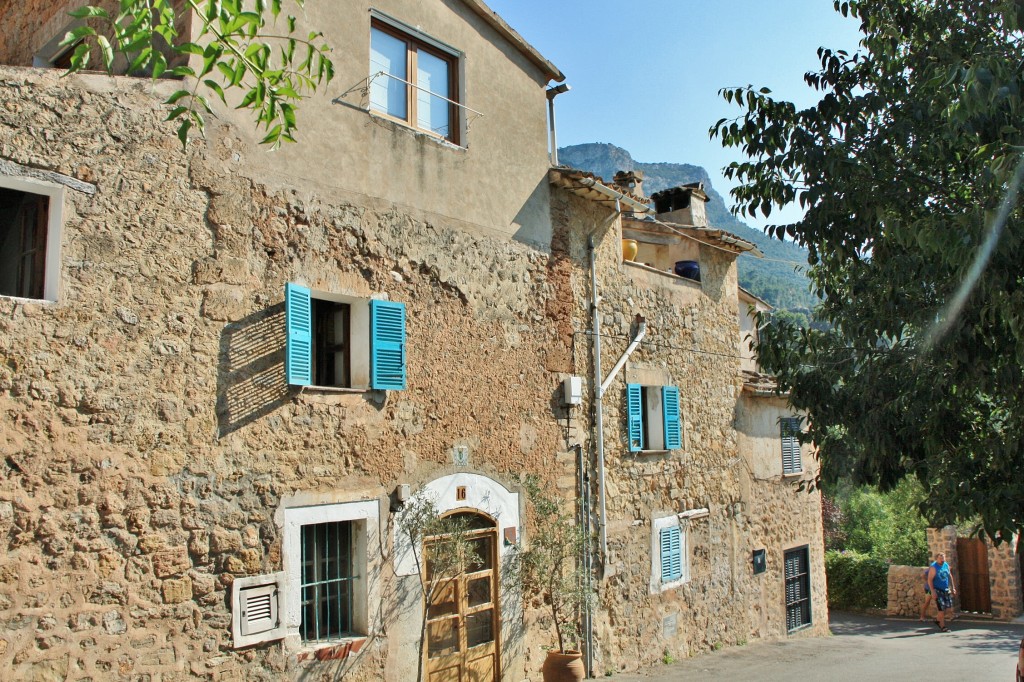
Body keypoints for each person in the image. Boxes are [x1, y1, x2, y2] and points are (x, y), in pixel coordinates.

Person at [926, 552, 957, 631]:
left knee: (949, 608)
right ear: (937, 558)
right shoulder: (933, 567)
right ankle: (943, 626)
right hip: (937, 590)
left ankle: (938, 620)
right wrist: (932, 591)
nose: (942, 560)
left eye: (943, 558)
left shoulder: (946, 565)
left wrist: (953, 587)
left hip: (946, 589)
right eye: (940, 558)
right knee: (941, 609)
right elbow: (929, 580)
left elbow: (949, 576)